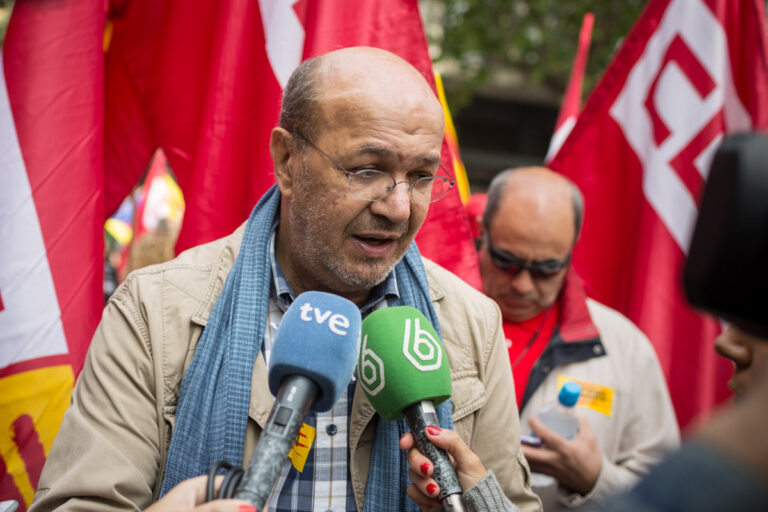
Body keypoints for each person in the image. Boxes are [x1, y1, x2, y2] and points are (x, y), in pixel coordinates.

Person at [30, 47, 540, 512]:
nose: (399, 207)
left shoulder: (472, 322)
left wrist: (479, 504)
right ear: (287, 161)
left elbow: (516, 502)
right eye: (367, 169)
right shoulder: (153, 310)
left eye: (423, 176)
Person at [476, 167, 679, 509]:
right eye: (506, 262)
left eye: (546, 269)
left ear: (572, 250)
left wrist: (594, 478)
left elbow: (667, 491)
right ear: (482, 233)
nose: (523, 284)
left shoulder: (625, 349)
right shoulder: (431, 312)